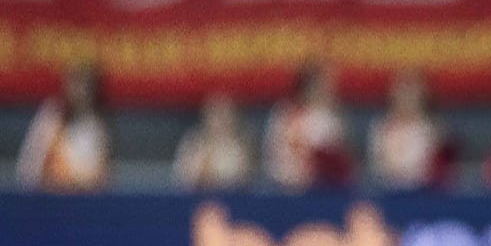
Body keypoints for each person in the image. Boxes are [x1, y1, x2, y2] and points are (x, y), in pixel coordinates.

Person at [17, 62, 111, 192]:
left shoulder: (97, 125)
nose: (79, 92)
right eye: (75, 84)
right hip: (46, 200)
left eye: (85, 86)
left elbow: (101, 177)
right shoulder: (51, 116)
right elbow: (30, 169)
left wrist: (75, 181)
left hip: (84, 202)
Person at [263, 61, 355, 190]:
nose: (330, 91)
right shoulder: (284, 114)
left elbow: (340, 167)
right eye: (324, 85)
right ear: (310, 86)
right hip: (283, 187)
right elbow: (273, 156)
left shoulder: (329, 119)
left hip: (321, 190)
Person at [368, 70, 450, 189]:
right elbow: (376, 165)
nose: (406, 96)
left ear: (423, 94)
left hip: (422, 192)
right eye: (402, 90)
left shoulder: (434, 130)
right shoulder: (380, 127)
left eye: (411, 91)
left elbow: (436, 170)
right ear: (393, 93)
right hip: (387, 190)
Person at [174, 93, 255, 190]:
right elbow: (182, 178)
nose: (218, 121)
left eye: (223, 114)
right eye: (214, 114)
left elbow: (241, 180)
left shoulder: (239, 148)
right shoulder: (193, 142)